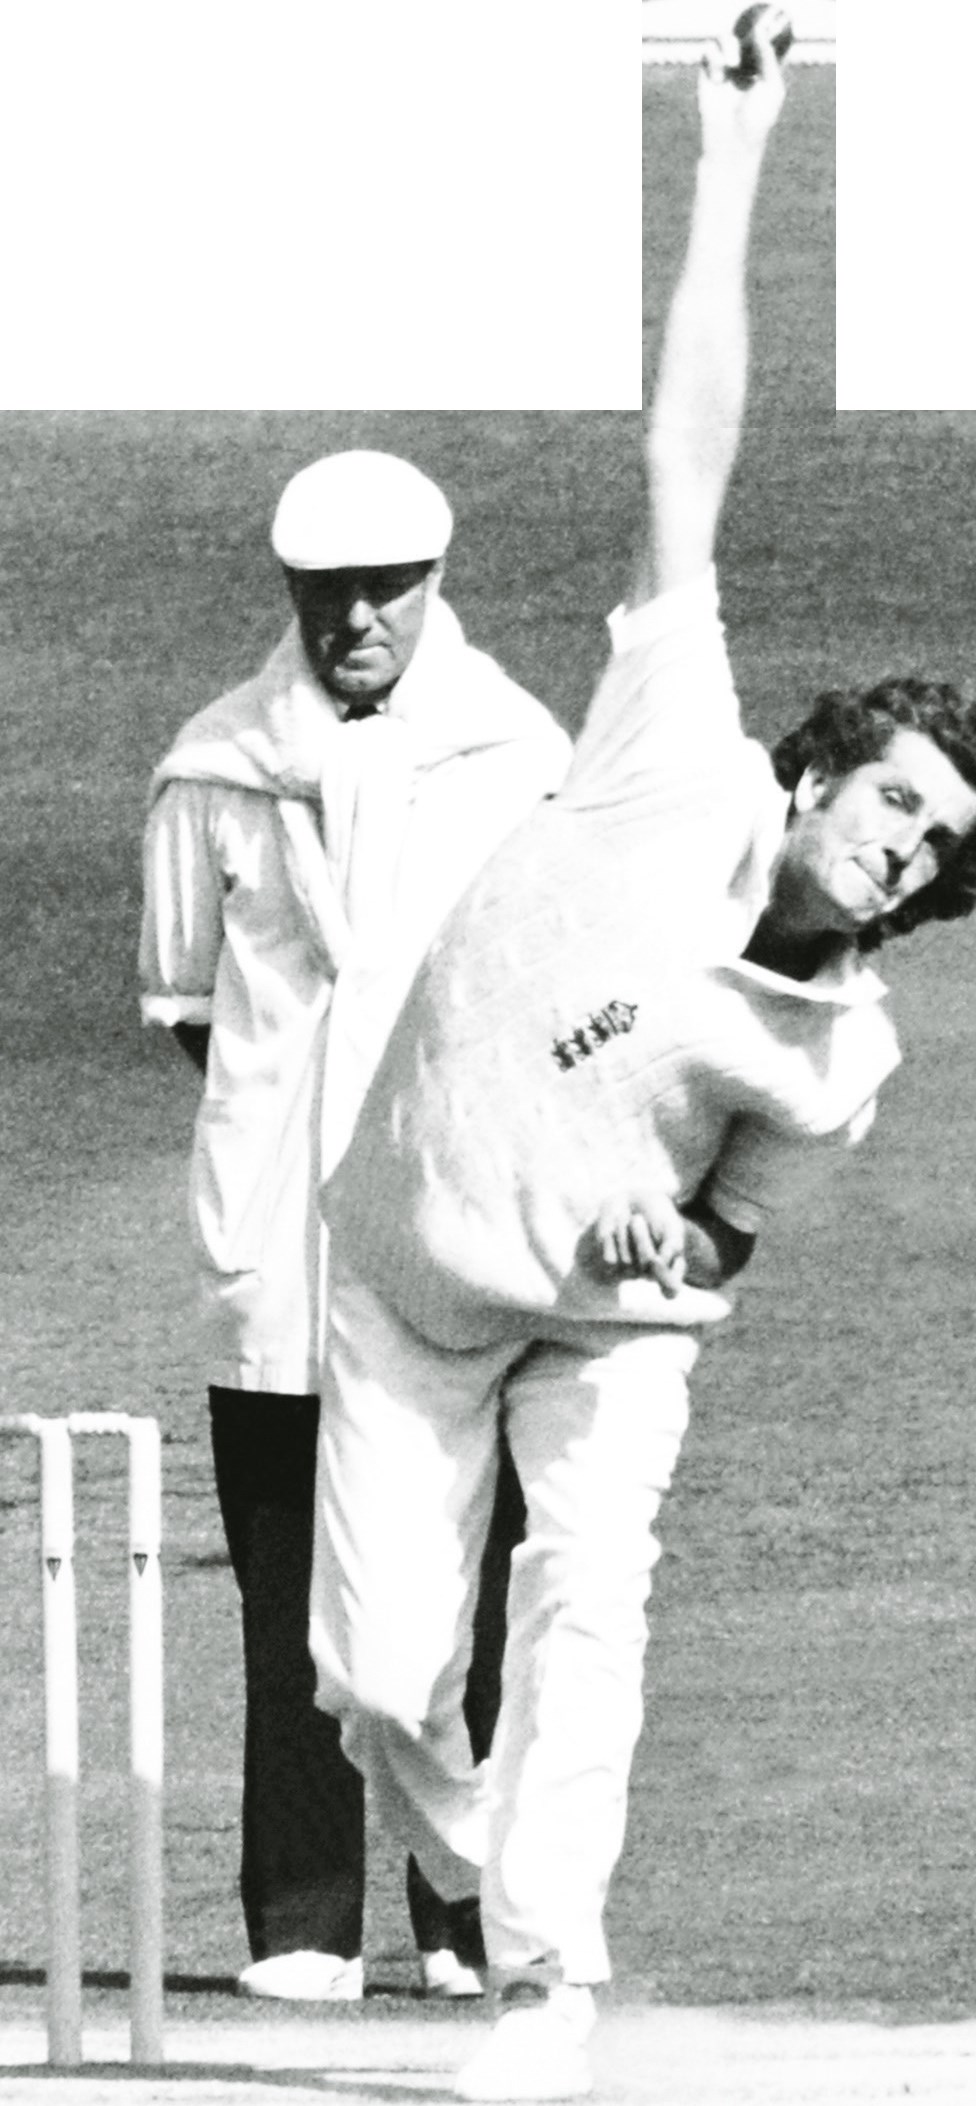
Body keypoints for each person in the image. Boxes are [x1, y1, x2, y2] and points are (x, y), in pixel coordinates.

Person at [306, 21, 976, 2101]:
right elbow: (690, 451)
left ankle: (542, 1981)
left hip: (605, 1321)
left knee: (589, 1596)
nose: (907, 845)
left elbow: (723, 1251)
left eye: (941, 845)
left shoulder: (836, 1056)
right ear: (817, 769)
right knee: (377, 1679)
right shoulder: (674, 744)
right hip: (406, 1259)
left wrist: (663, 1241)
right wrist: (735, 154)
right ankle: (475, 1852)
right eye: (895, 798)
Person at [139, 448, 570, 2002]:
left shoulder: (520, 760)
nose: (358, 619)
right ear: (292, 594)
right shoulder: (215, 768)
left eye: (386, 588)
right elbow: (191, 1002)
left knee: (469, 1584)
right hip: (279, 1258)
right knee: (288, 1603)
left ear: (435, 583)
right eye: (328, 592)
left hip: (460, 1249)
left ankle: (467, 1917)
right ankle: (306, 1925)